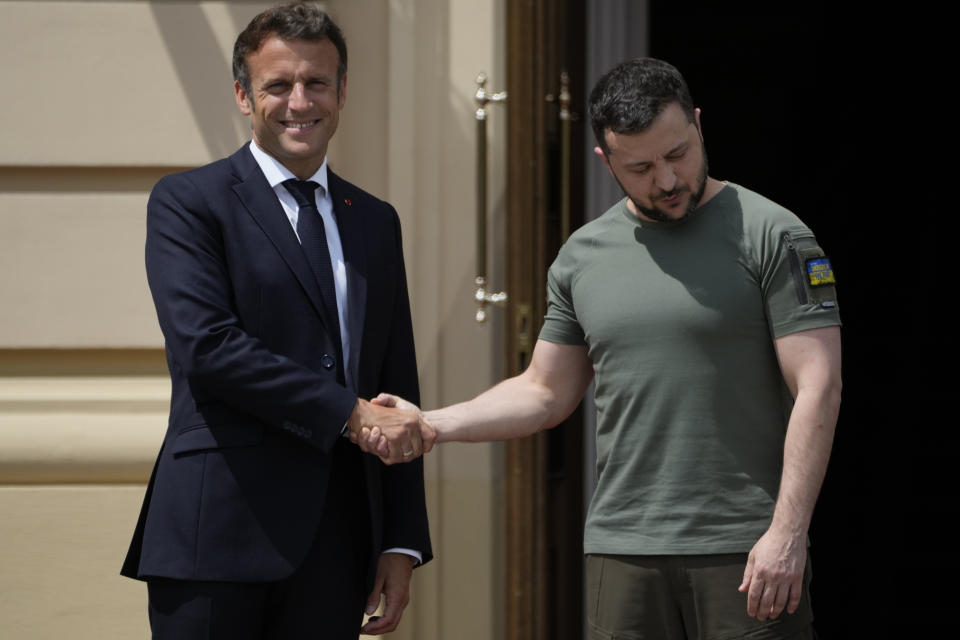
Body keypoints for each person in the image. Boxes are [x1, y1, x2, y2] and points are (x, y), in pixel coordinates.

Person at [362, 58, 841, 640]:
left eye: (678, 153)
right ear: (605, 160)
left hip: (744, 552)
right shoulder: (581, 257)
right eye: (640, 167)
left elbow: (819, 384)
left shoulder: (773, 234)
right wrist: (431, 424)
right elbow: (543, 391)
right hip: (623, 551)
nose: (666, 180)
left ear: (697, 123)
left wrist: (787, 533)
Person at [120, 3, 431, 637]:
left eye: (317, 82)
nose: (299, 101)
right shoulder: (188, 203)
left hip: (338, 541)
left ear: (342, 92)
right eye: (278, 85)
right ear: (243, 94)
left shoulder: (376, 221)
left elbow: (395, 380)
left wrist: (401, 540)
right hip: (216, 538)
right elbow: (208, 348)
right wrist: (348, 413)